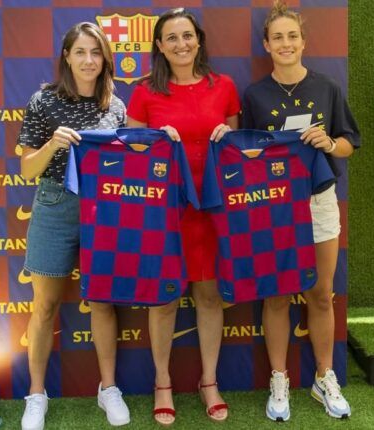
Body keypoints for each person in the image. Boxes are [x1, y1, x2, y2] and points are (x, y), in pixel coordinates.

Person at [241, 1, 360, 422]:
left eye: (293, 36)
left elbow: (349, 143)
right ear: (266, 45)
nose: (286, 43)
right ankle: (279, 378)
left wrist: (328, 143)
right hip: (271, 206)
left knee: (320, 294)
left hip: (318, 201)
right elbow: (245, 156)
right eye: (278, 37)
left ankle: (324, 376)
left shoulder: (327, 87)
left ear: (304, 42)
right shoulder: (254, 95)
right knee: (275, 296)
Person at [126, 8, 239, 426]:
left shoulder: (223, 86)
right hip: (164, 214)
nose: (181, 44)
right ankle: (162, 383)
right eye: (171, 38)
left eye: (187, 36)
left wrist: (229, 136)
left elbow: (233, 153)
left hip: (209, 211)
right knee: (165, 299)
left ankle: (209, 381)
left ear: (199, 39)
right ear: (159, 46)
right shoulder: (143, 92)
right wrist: (155, 141)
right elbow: (132, 154)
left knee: (210, 297)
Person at [18, 22, 130, 429]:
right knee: (45, 305)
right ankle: (36, 394)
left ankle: (108, 388)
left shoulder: (115, 105)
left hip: (104, 210)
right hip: (53, 205)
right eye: (80, 52)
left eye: (95, 53)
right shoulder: (44, 101)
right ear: (66, 56)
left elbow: (129, 162)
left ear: (105, 59)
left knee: (102, 301)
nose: (88, 60)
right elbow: (27, 170)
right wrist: (52, 145)